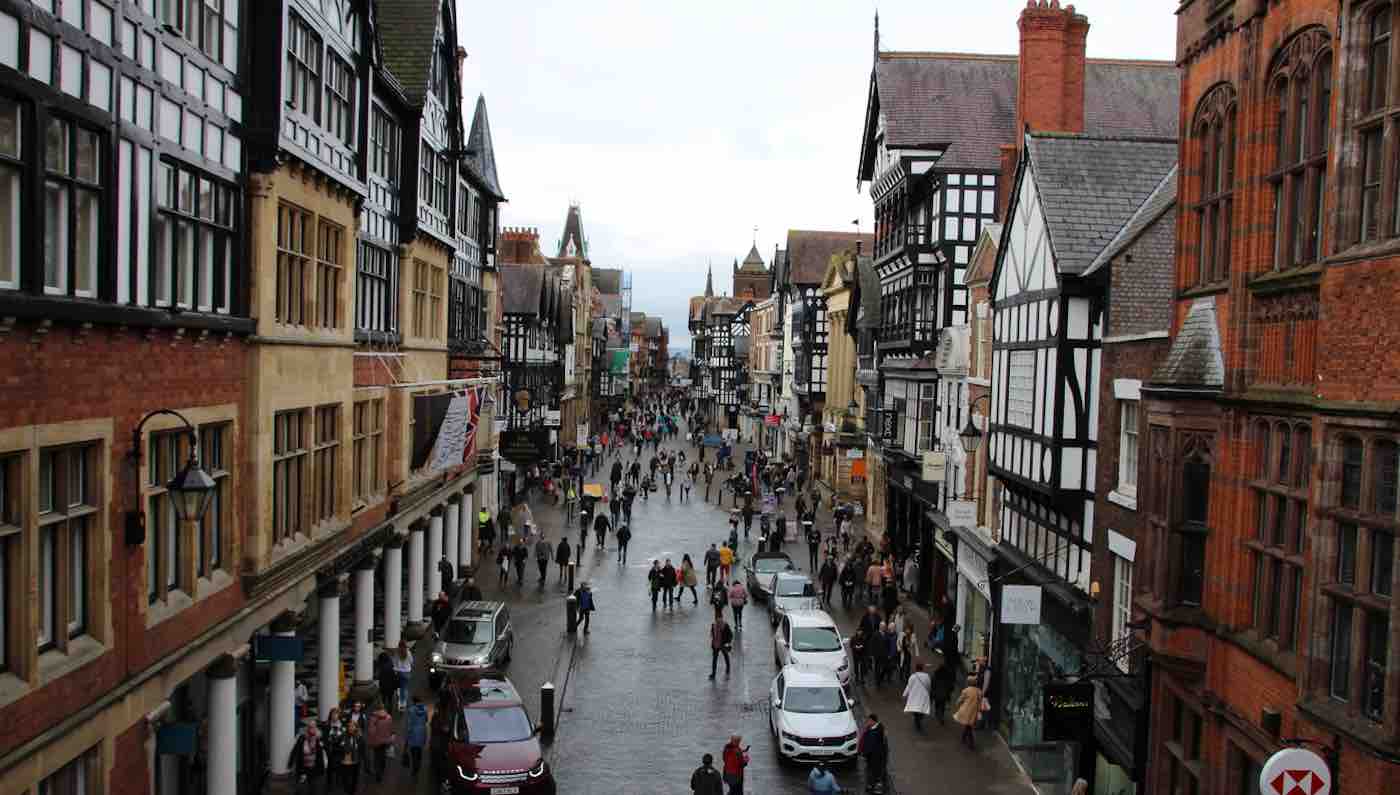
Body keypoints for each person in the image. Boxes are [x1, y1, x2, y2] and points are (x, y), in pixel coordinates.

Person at [289, 721, 328, 793]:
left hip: (315, 768)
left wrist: (324, 766)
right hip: (303, 767)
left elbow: (324, 751)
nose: (311, 728)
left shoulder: (319, 738)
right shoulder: (302, 738)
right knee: (301, 789)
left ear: (316, 728)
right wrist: (290, 762)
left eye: (313, 727)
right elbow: (295, 750)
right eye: (310, 727)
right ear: (307, 728)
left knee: (314, 789)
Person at [366, 702, 394, 782]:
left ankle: (378, 773)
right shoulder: (389, 717)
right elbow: (390, 729)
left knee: (376, 757)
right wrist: (390, 738)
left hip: (376, 741)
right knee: (383, 754)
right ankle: (382, 768)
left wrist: (370, 740)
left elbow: (371, 731)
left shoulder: (373, 718)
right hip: (385, 740)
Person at [858, 714, 888, 788]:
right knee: (871, 770)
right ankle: (872, 783)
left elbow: (874, 745)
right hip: (871, 755)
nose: (867, 722)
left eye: (869, 720)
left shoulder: (877, 731)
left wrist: (865, 752)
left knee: (875, 770)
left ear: (873, 721)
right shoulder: (870, 728)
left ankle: (874, 784)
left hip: (876, 755)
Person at [954, 675, 983, 749]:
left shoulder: (966, 690)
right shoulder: (979, 691)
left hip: (966, 710)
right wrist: (979, 709)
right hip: (974, 711)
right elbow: (980, 701)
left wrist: (957, 703)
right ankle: (966, 739)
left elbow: (961, 699)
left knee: (968, 726)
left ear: (968, 683)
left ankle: (970, 742)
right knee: (969, 725)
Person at [903, 661, 933, 733]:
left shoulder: (912, 676)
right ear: (922, 668)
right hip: (923, 695)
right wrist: (928, 692)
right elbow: (929, 686)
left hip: (914, 695)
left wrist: (904, 694)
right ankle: (919, 720)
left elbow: (909, 686)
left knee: (915, 709)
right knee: (922, 709)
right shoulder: (927, 676)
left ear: (916, 668)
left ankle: (917, 722)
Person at [403, 695, 429, 775]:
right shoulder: (425, 709)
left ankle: (415, 767)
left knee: (413, 751)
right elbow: (426, 720)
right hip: (422, 732)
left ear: (414, 702)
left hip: (413, 733)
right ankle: (418, 765)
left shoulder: (411, 710)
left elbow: (410, 724)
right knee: (419, 750)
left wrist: (407, 737)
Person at [338, 719, 364, 793]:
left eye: (353, 726)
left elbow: (362, 748)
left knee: (355, 777)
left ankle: (353, 790)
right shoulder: (343, 735)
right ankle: (347, 790)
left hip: (356, 760)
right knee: (346, 777)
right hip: (346, 761)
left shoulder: (358, 736)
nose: (351, 728)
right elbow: (339, 746)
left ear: (356, 727)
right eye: (349, 726)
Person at [932, 658, 956, 725]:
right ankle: (941, 716)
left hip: (937, 693)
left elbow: (933, 684)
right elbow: (950, 685)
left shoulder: (935, 674)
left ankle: (937, 712)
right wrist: (950, 691)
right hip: (944, 693)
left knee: (937, 703)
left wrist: (933, 691)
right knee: (942, 705)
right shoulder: (948, 675)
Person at [709, 613, 734, 679]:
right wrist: (713, 642)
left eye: (720, 618)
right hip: (716, 644)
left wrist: (728, 642)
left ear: (722, 618)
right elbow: (712, 634)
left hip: (723, 644)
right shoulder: (713, 625)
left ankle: (728, 669)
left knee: (726, 656)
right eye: (717, 619)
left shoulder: (725, 625)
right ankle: (713, 674)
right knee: (714, 659)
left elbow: (731, 634)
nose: (718, 620)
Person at [375, 652, 397, 718]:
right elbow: (394, 677)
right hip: (391, 686)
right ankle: (390, 713)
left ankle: (383, 713)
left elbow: (378, 676)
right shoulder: (391, 665)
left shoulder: (381, 667)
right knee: (390, 700)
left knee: (383, 700)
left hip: (383, 686)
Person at [392, 640, 413, 711]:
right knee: (405, 688)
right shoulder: (408, 653)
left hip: (399, 673)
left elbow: (394, 663)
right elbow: (411, 661)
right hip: (407, 673)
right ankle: (404, 704)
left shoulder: (397, 653)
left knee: (400, 688)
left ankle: (401, 703)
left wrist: (395, 669)